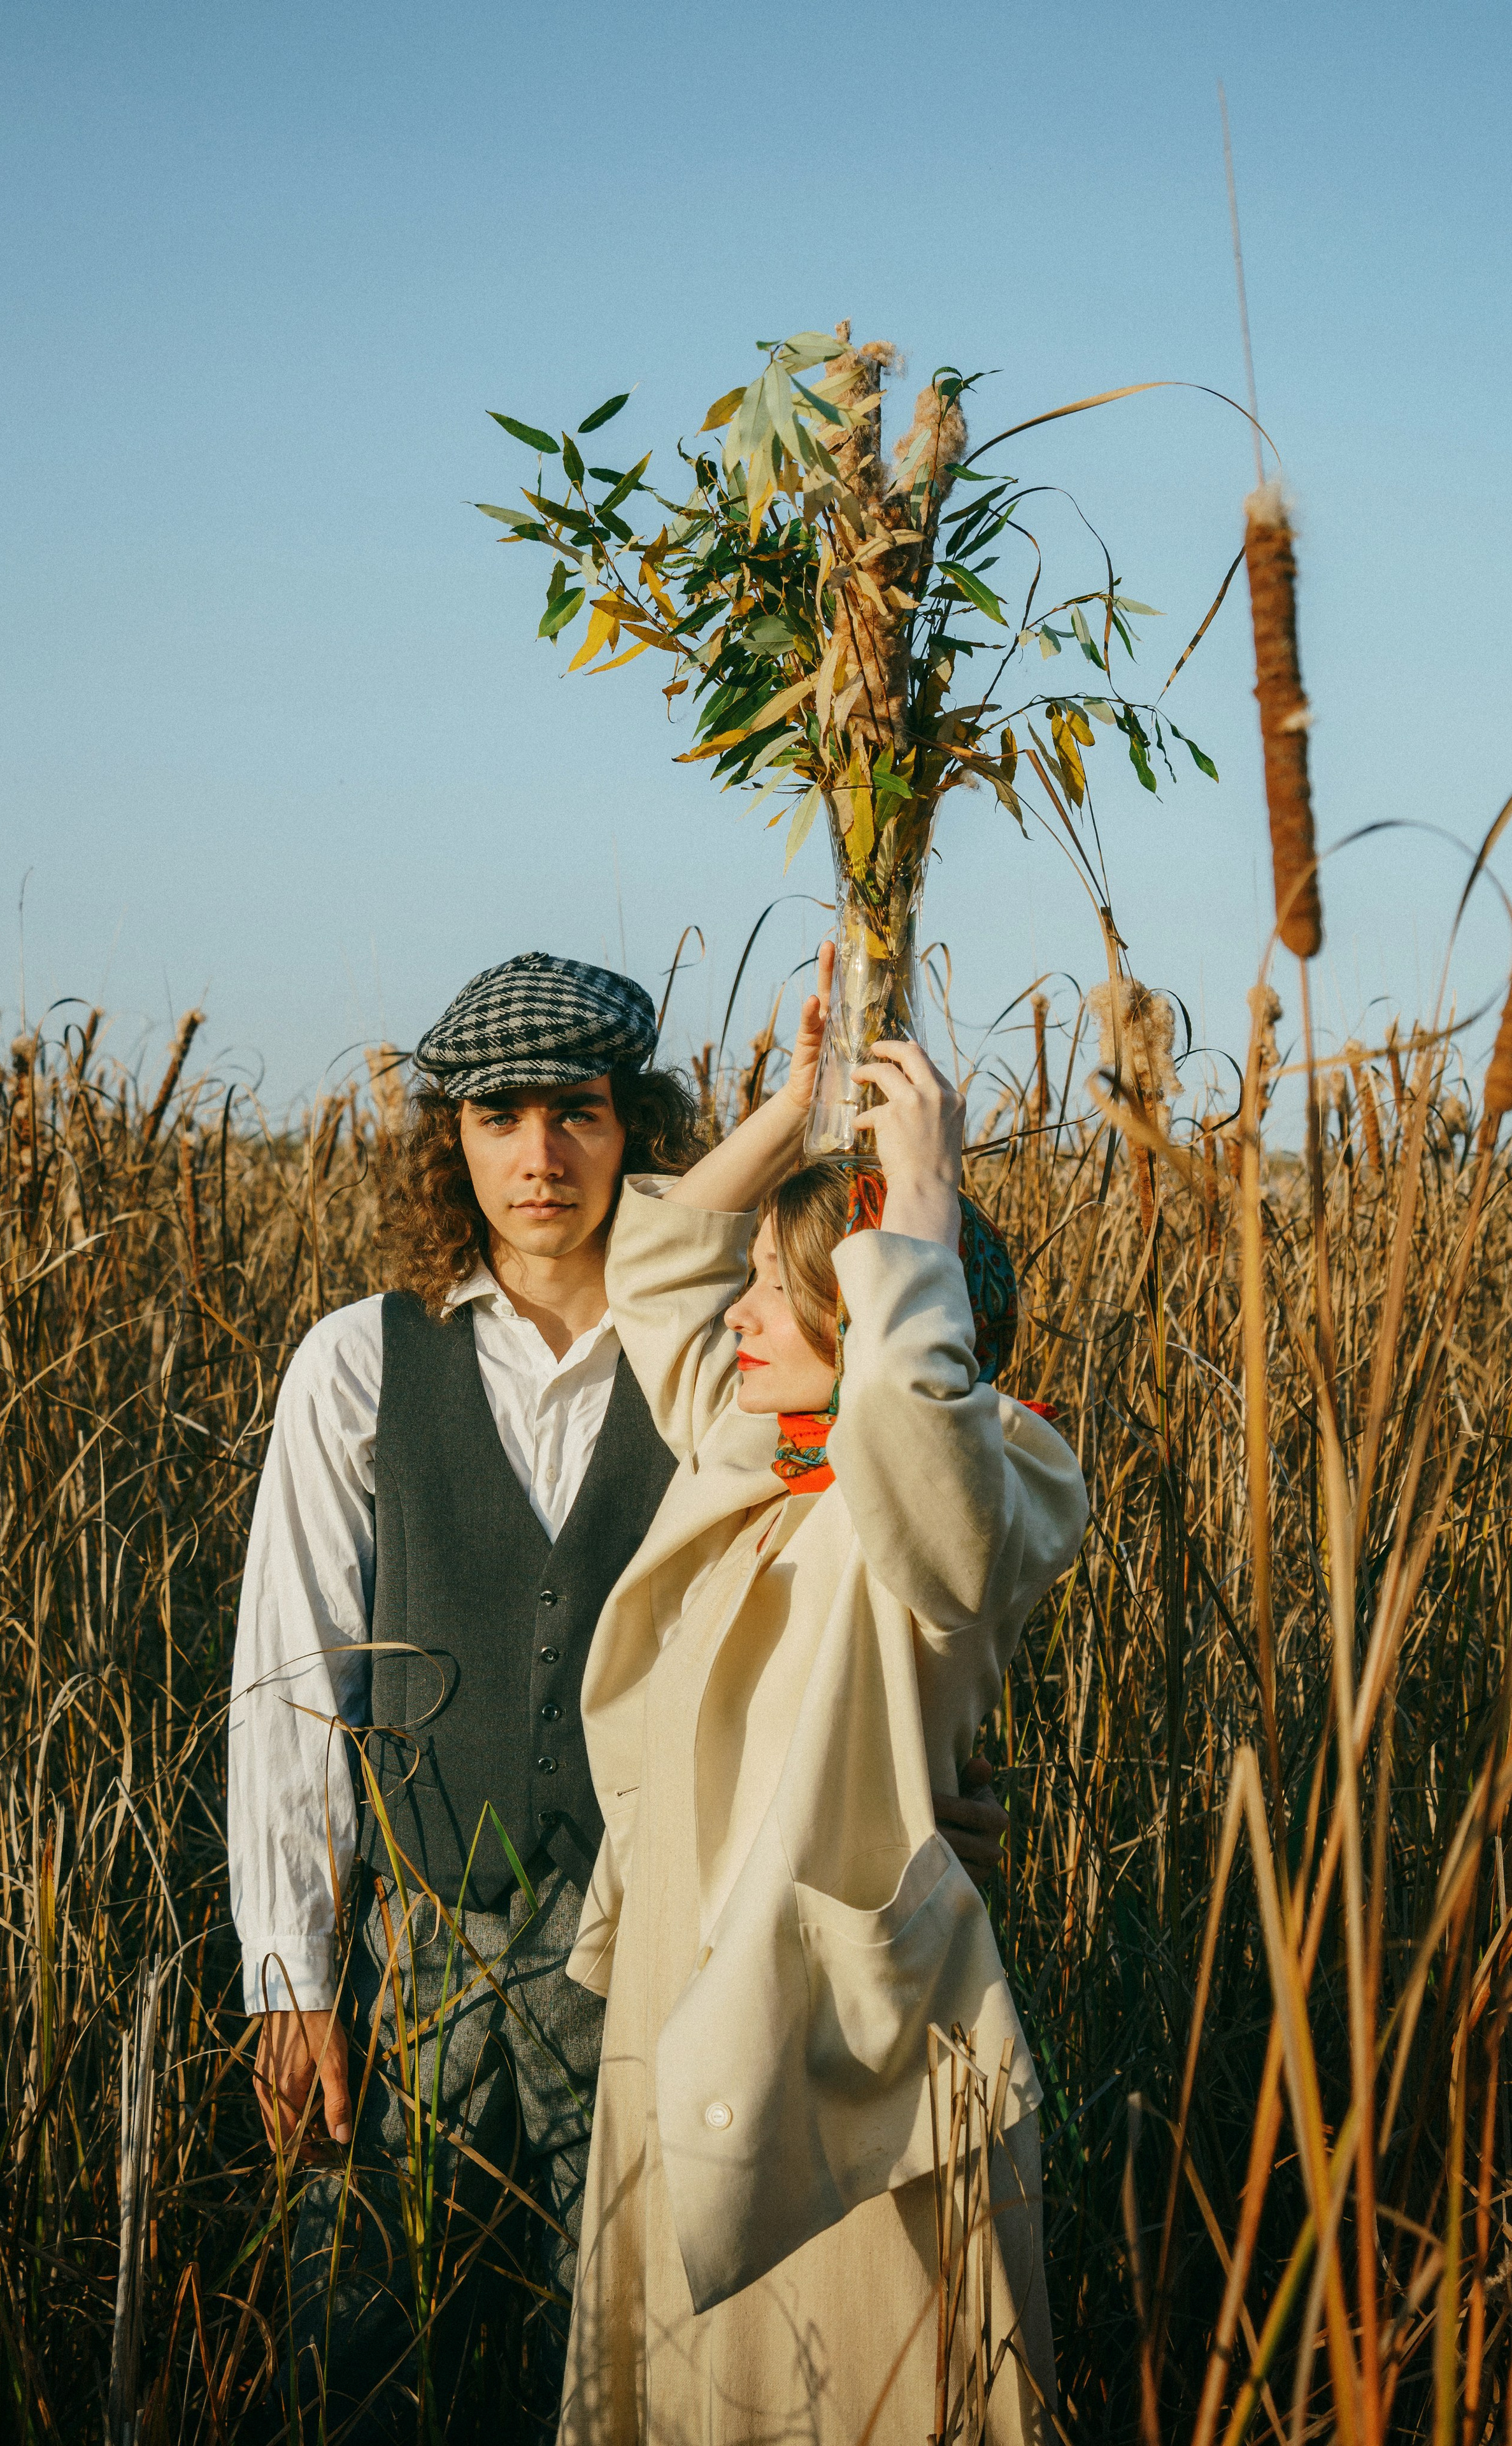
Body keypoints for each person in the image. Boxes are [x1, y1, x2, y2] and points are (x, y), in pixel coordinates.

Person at [227, 949, 1012, 2442]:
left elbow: (875, 1582)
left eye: (576, 1113)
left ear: (631, 1124)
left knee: (621, 2370)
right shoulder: (358, 1364)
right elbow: (289, 1676)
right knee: (370, 2354)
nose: (539, 1156)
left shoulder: (732, 1361)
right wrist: (293, 1973)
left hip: (650, 1959)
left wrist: (918, 1799)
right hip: (418, 1956)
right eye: (498, 1117)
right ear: (451, 1140)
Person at [558, 957, 1089, 2445]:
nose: (734, 1314)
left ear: (868, 1323)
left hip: (833, 2074)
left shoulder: (972, 1491)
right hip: (689, 2018)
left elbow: (920, 1445)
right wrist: (798, 1116)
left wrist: (916, 1202)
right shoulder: (754, 1458)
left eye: (778, 1294)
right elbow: (653, 1266)